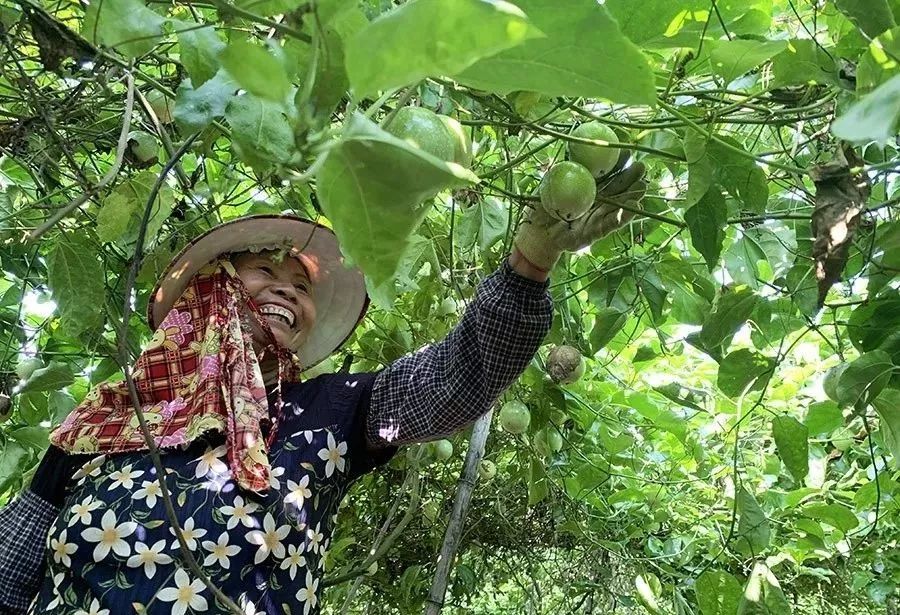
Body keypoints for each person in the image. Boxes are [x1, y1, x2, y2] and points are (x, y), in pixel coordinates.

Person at [0, 161, 645, 614]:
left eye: (303, 287)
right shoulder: (103, 424)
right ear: (208, 290)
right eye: (263, 271)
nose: (289, 290)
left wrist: (530, 262)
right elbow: (10, 570)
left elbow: (459, 378)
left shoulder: (325, 412)